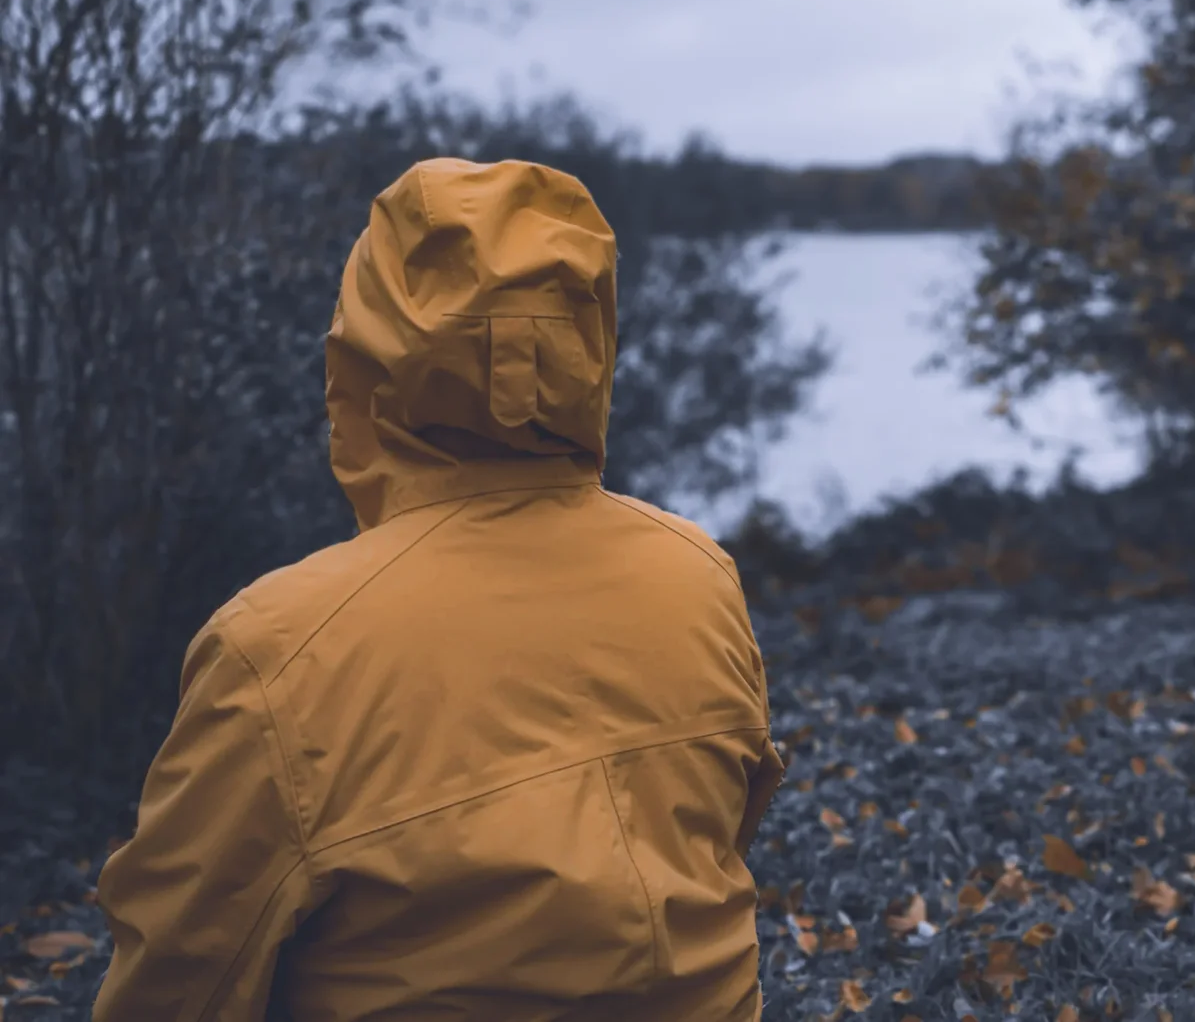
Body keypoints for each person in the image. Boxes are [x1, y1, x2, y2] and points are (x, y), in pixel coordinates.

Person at [90, 158, 786, 1022]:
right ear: (591, 342)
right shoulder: (697, 574)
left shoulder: (276, 649)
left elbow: (176, 981)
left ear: (365, 351)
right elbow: (712, 845)